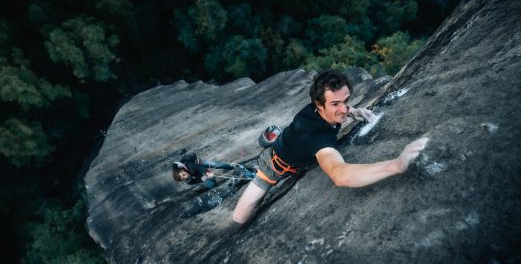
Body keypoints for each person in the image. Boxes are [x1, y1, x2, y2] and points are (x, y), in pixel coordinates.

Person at [232, 70, 428, 224]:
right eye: (335, 104)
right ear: (319, 104)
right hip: (274, 166)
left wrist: (355, 111)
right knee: (239, 218)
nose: (343, 109)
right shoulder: (316, 137)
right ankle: (269, 145)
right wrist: (395, 165)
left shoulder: (323, 108)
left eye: (346, 101)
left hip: (294, 144)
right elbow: (340, 175)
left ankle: (275, 138)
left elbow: (341, 107)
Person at [173, 153, 255, 189]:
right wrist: (202, 179)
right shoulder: (188, 181)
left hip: (200, 164)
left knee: (218, 165)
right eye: (183, 178)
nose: (185, 176)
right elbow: (195, 181)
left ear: (182, 170)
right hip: (199, 173)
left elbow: (198, 167)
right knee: (211, 185)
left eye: (183, 174)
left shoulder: (187, 164)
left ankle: (232, 167)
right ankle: (213, 181)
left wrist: (207, 172)